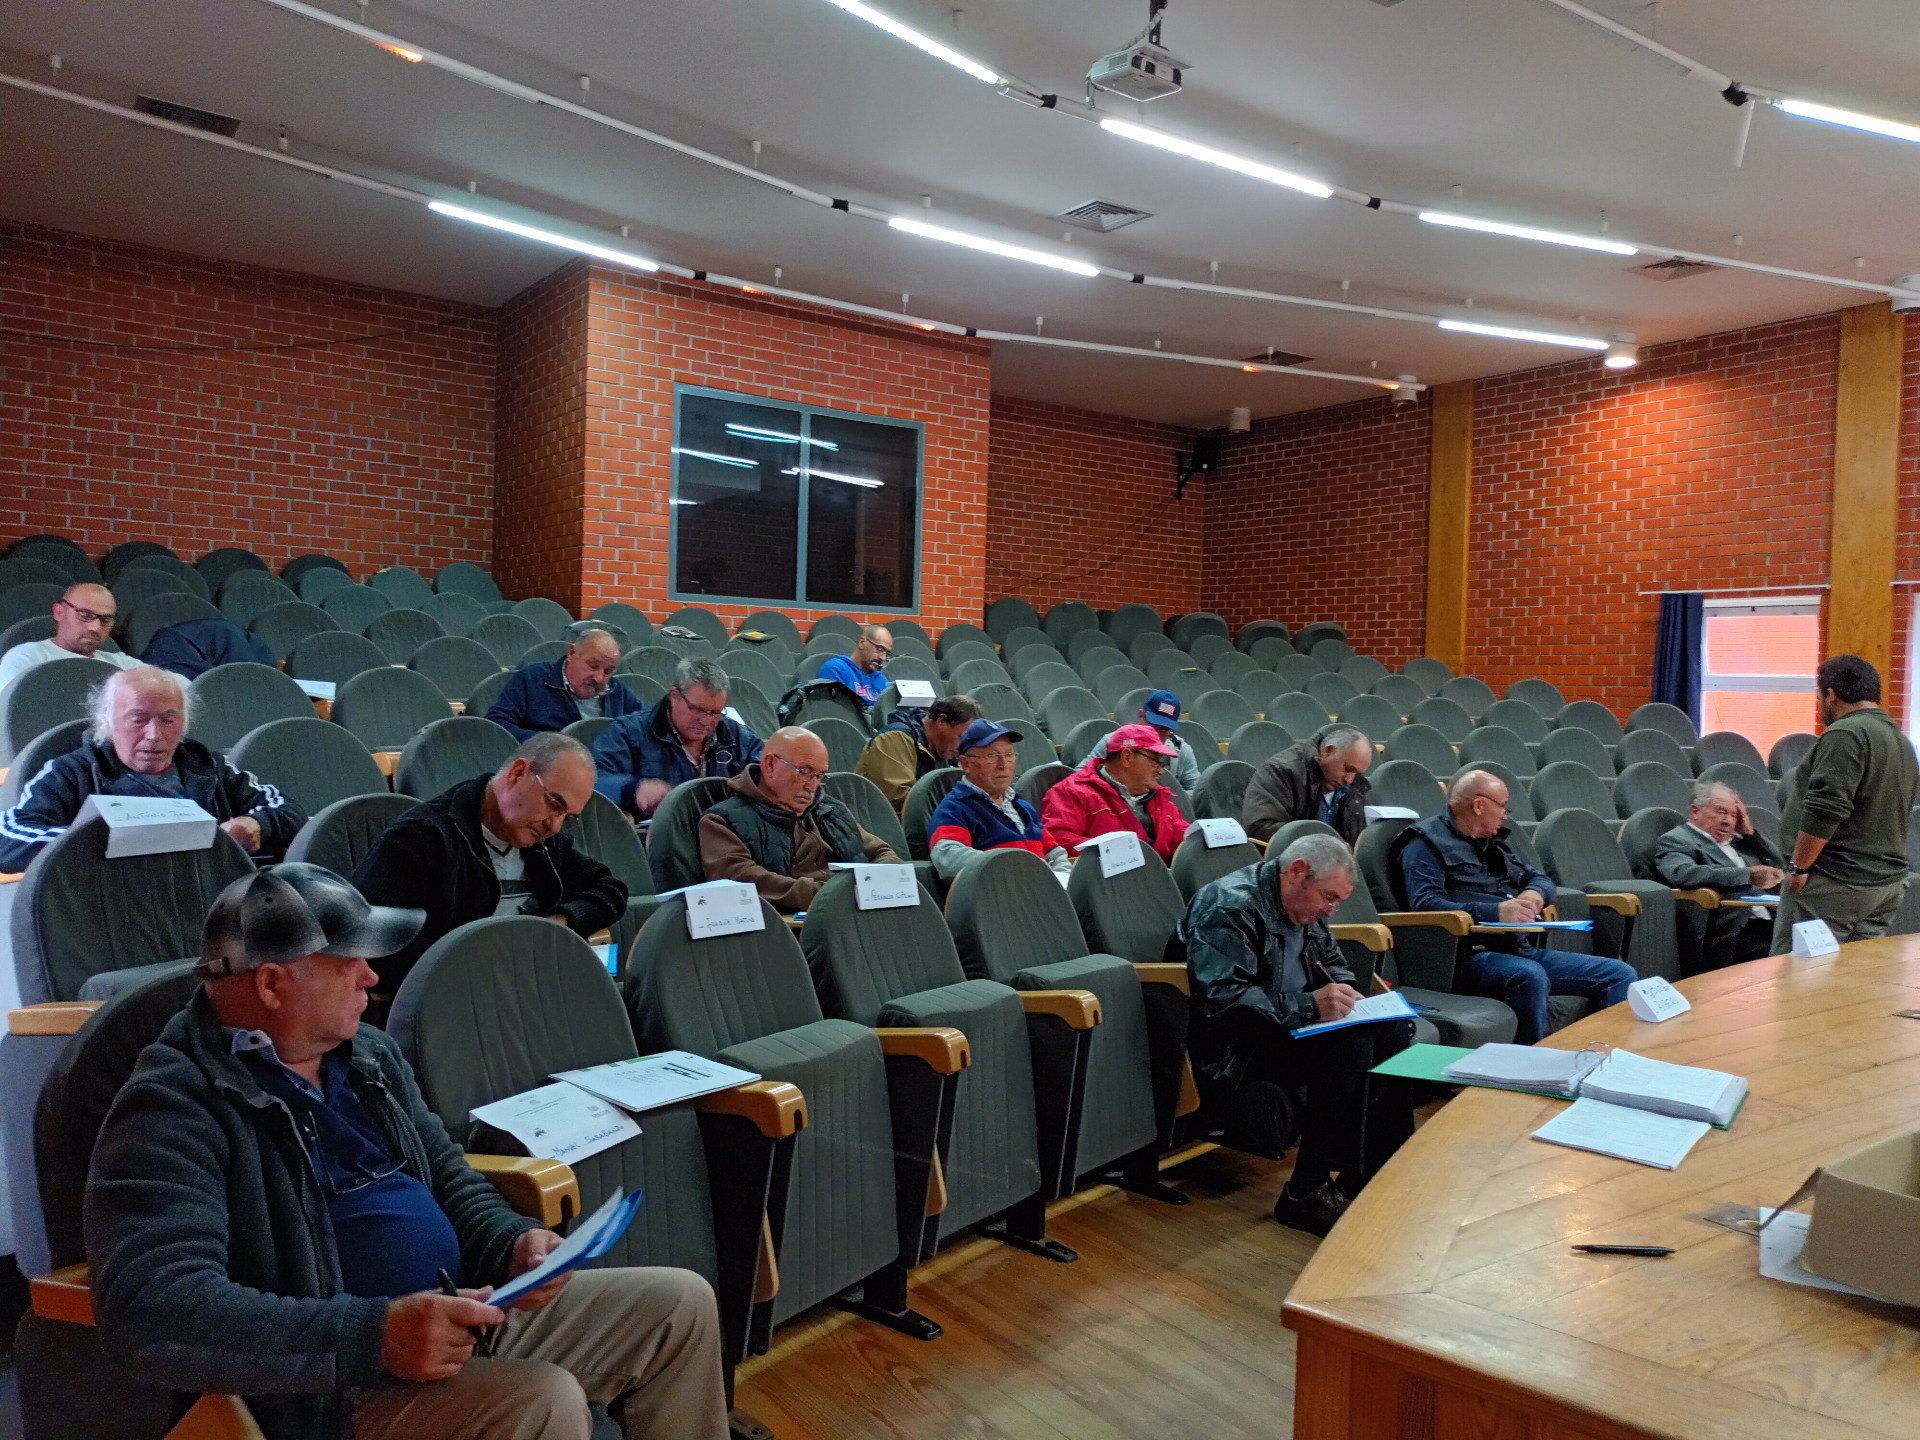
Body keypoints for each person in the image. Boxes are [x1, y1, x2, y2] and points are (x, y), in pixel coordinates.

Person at [86, 863, 727, 1440]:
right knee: (543, 1400)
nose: (371, 977)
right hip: (327, 1390)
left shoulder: (368, 1054)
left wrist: (509, 1242)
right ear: (274, 983)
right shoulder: (173, 1106)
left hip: (456, 1315)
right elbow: (149, 1310)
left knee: (680, 1305)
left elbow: (444, 1175)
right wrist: (376, 1337)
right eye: (349, 961)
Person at [1179, 833, 1415, 1237]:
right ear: (1298, 872)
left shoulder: (1305, 906)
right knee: (1349, 1044)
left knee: (1390, 1028)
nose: (1331, 911)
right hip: (1233, 1050)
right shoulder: (1229, 906)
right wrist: (1310, 1006)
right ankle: (1306, 1191)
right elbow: (1223, 1002)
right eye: (1329, 898)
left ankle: (1375, 1169)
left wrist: (1345, 993)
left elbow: (1333, 962)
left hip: (1283, 1029)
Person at [353, 733, 627, 999]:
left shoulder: (543, 844)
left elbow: (611, 890)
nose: (555, 826)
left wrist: (558, 923)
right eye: (554, 804)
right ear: (517, 773)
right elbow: (371, 945)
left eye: (566, 816)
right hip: (453, 1000)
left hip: (529, 992)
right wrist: (484, 954)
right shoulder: (422, 838)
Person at [1393, 770, 1635, 1045]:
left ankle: (1604, 1056)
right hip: (1467, 956)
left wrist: (1534, 894)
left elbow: (1540, 879)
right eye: (1503, 806)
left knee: (1619, 974)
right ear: (1478, 805)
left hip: (1517, 949)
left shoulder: (1493, 844)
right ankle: (1528, 1061)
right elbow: (1425, 905)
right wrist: (1496, 913)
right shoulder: (1423, 844)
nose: (1506, 815)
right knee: (1529, 975)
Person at [0, 665, 305, 872]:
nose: (154, 735)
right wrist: (107, 840)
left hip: (211, 900)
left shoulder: (209, 768)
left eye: (168, 720)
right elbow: (9, 840)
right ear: (108, 722)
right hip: (115, 910)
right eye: (138, 719)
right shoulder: (71, 773)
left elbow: (289, 810)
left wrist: (257, 824)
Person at [1774, 654, 1920, 949]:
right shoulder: (1901, 741)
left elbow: (1826, 809)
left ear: (1830, 694)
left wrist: (1799, 867)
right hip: (1885, 885)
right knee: (1852, 975)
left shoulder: (1845, 733)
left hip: (1835, 883)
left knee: (1796, 973)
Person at [699, 726, 901, 912]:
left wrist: (879, 882)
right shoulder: (722, 821)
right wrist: (835, 894)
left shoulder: (830, 809)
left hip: (853, 909)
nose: (812, 786)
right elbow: (743, 882)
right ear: (770, 765)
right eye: (804, 772)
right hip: (796, 925)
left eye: (819, 776)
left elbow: (883, 852)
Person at [589, 657, 762, 820]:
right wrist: (631, 790)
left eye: (715, 712)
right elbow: (591, 782)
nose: (706, 721)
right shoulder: (628, 733)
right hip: (655, 835)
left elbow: (765, 773)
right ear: (674, 696)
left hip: (719, 834)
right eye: (697, 709)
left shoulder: (735, 736)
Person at [1653, 781, 1785, 971]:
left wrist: (1750, 833)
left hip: (1771, 923)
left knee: (1817, 950)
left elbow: (1780, 866)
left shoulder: (1741, 843)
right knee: (1784, 962)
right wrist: (1747, 876)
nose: (1728, 821)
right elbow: (1683, 874)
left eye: (1734, 815)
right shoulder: (1676, 840)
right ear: (1695, 811)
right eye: (1721, 812)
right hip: (1731, 932)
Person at [927, 719, 1069, 881]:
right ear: (966, 764)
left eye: (1009, 755)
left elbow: (1055, 853)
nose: (1003, 765)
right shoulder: (955, 808)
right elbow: (948, 857)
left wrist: (1062, 879)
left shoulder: (1023, 807)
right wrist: (1017, 865)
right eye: (992, 756)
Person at [1042, 722, 1191, 864]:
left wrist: (1194, 842)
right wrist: (1117, 852)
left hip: (1154, 877)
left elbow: (1182, 835)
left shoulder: (1159, 797)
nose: (1160, 771)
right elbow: (1058, 842)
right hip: (1104, 881)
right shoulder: (1071, 792)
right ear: (1127, 757)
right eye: (1155, 762)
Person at [486, 628, 645, 741]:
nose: (599, 677)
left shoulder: (619, 693)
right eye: (593, 666)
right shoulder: (531, 679)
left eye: (608, 671)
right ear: (571, 653)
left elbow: (644, 732)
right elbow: (497, 724)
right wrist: (545, 744)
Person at [1242, 724, 1373, 844]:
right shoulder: (1280, 772)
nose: (1349, 780)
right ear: (1327, 751)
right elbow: (1260, 828)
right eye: (1348, 769)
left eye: (1357, 773)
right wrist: (1322, 845)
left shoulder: (1356, 786)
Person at [0, 582, 142, 691]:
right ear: (59, 612)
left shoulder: (124, 664)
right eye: (85, 615)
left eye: (105, 620)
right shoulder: (28, 658)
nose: (95, 627)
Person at [855, 692, 982, 813]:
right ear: (941, 721)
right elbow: (898, 799)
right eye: (961, 738)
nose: (963, 748)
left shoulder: (944, 747)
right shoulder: (894, 739)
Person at [1085, 689, 1203, 794]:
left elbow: (1195, 792)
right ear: (1141, 716)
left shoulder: (1181, 750)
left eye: (1164, 729)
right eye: (1154, 726)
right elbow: (1082, 777)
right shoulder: (1113, 743)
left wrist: (1167, 798)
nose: (1156, 734)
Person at [816, 625, 892, 708]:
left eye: (887, 653)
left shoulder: (882, 681)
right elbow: (832, 711)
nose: (883, 658)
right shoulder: (835, 669)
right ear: (862, 642)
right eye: (880, 649)